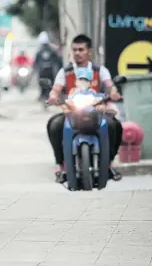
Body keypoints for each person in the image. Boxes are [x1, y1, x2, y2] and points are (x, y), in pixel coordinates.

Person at [46, 34, 123, 183]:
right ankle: (61, 164)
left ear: (89, 52)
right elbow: (55, 89)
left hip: (97, 112)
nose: (77, 53)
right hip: (71, 112)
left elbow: (110, 86)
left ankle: (109, 163)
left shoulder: (100, 70)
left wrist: (114, 93)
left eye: (81, 49)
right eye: (74, 50)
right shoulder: (65, 72)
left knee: (115, 125)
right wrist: (53, 96)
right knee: (54, 125)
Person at [33, 31, 63, 100]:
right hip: (43, 71)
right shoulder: (40, 51)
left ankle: (49, 95)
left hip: (49, 70)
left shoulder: (51, 50)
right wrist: (35, 68)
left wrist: (59, 68)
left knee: (50, 83)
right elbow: (36, 61)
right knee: (42, 83)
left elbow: (57, 60)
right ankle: (43, 95)